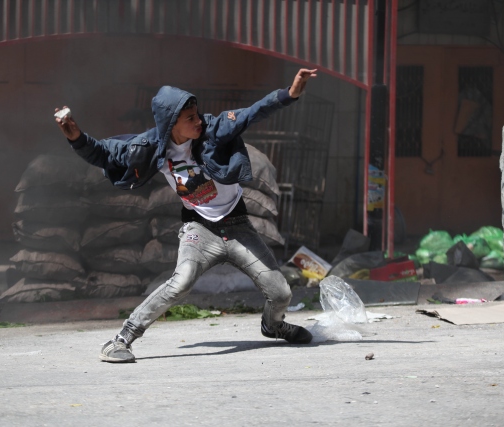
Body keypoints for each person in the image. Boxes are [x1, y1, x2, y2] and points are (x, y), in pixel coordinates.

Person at [55, 68, 318, 363]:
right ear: (171, 124)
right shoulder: (151, 147)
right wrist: (76, 138)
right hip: (199, 229)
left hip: (238, 226)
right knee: (180, 283)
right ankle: (121, 339)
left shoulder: (213, 130)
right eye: (190, 118)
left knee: (281, 293)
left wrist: (289, 93)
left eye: (197, 115)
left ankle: (273, 326)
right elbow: (105, 153)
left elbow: (251, 113)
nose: (198, 121)